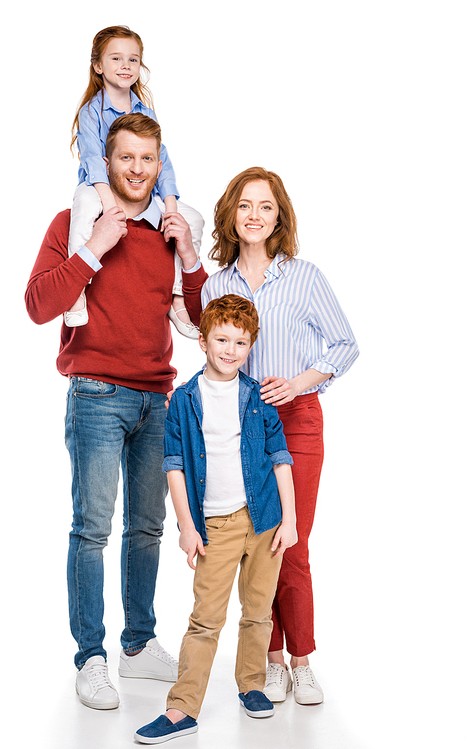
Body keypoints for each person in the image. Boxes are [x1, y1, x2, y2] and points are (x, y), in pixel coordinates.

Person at [25, 112, 208, 710]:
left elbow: (206, 326)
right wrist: (94, 248)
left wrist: (189, 258)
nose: (136, 169)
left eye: (147, 159)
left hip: (156, 398)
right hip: (97, 395)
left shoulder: (167, 230)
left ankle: (136, 644)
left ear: (161, 166)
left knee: (149, 529)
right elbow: (38, 303)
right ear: (106, 162)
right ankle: (91, 658)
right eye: (125, 157)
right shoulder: (75, 222)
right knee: (92, 530)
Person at [202, 167, 359, 706]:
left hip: (297, 420)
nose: (254, 215)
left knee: (291, 543)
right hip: (238, 428)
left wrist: (297, 384)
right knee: (256, 547)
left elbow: (344, 345)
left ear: (279, 216)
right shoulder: (216, 284)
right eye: (244, 205)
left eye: (265, 207)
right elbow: (206, 343)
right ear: (231, 214)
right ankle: (270, 661)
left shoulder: (305, 277)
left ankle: (303, 660)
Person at [135, 295, 297, 744]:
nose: (230, 349)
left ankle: (252, 685)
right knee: (206, 620)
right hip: (217, 526)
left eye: (240, 342)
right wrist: (187, 526)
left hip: (265, 519)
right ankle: (181, 709)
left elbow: (280, 459)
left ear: (251, 346)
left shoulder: (257, 397)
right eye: (221, 339)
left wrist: (291, 519)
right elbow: (175, 467)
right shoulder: (184, 400)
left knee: (258, 612)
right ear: (203, 341)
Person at [65, 25, 203, 337]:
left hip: (143, 191)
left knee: (191, 219)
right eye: (116, 59)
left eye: (133, 59)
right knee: (83, 208)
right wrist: (111, 207)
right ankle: (77, 292)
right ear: (99, 66)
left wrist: (170, 207)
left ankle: (177, 296)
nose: (126, 66)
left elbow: (161, 160)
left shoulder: (146, 111)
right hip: (101, 189)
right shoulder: (91, 112)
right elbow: (91, 162)